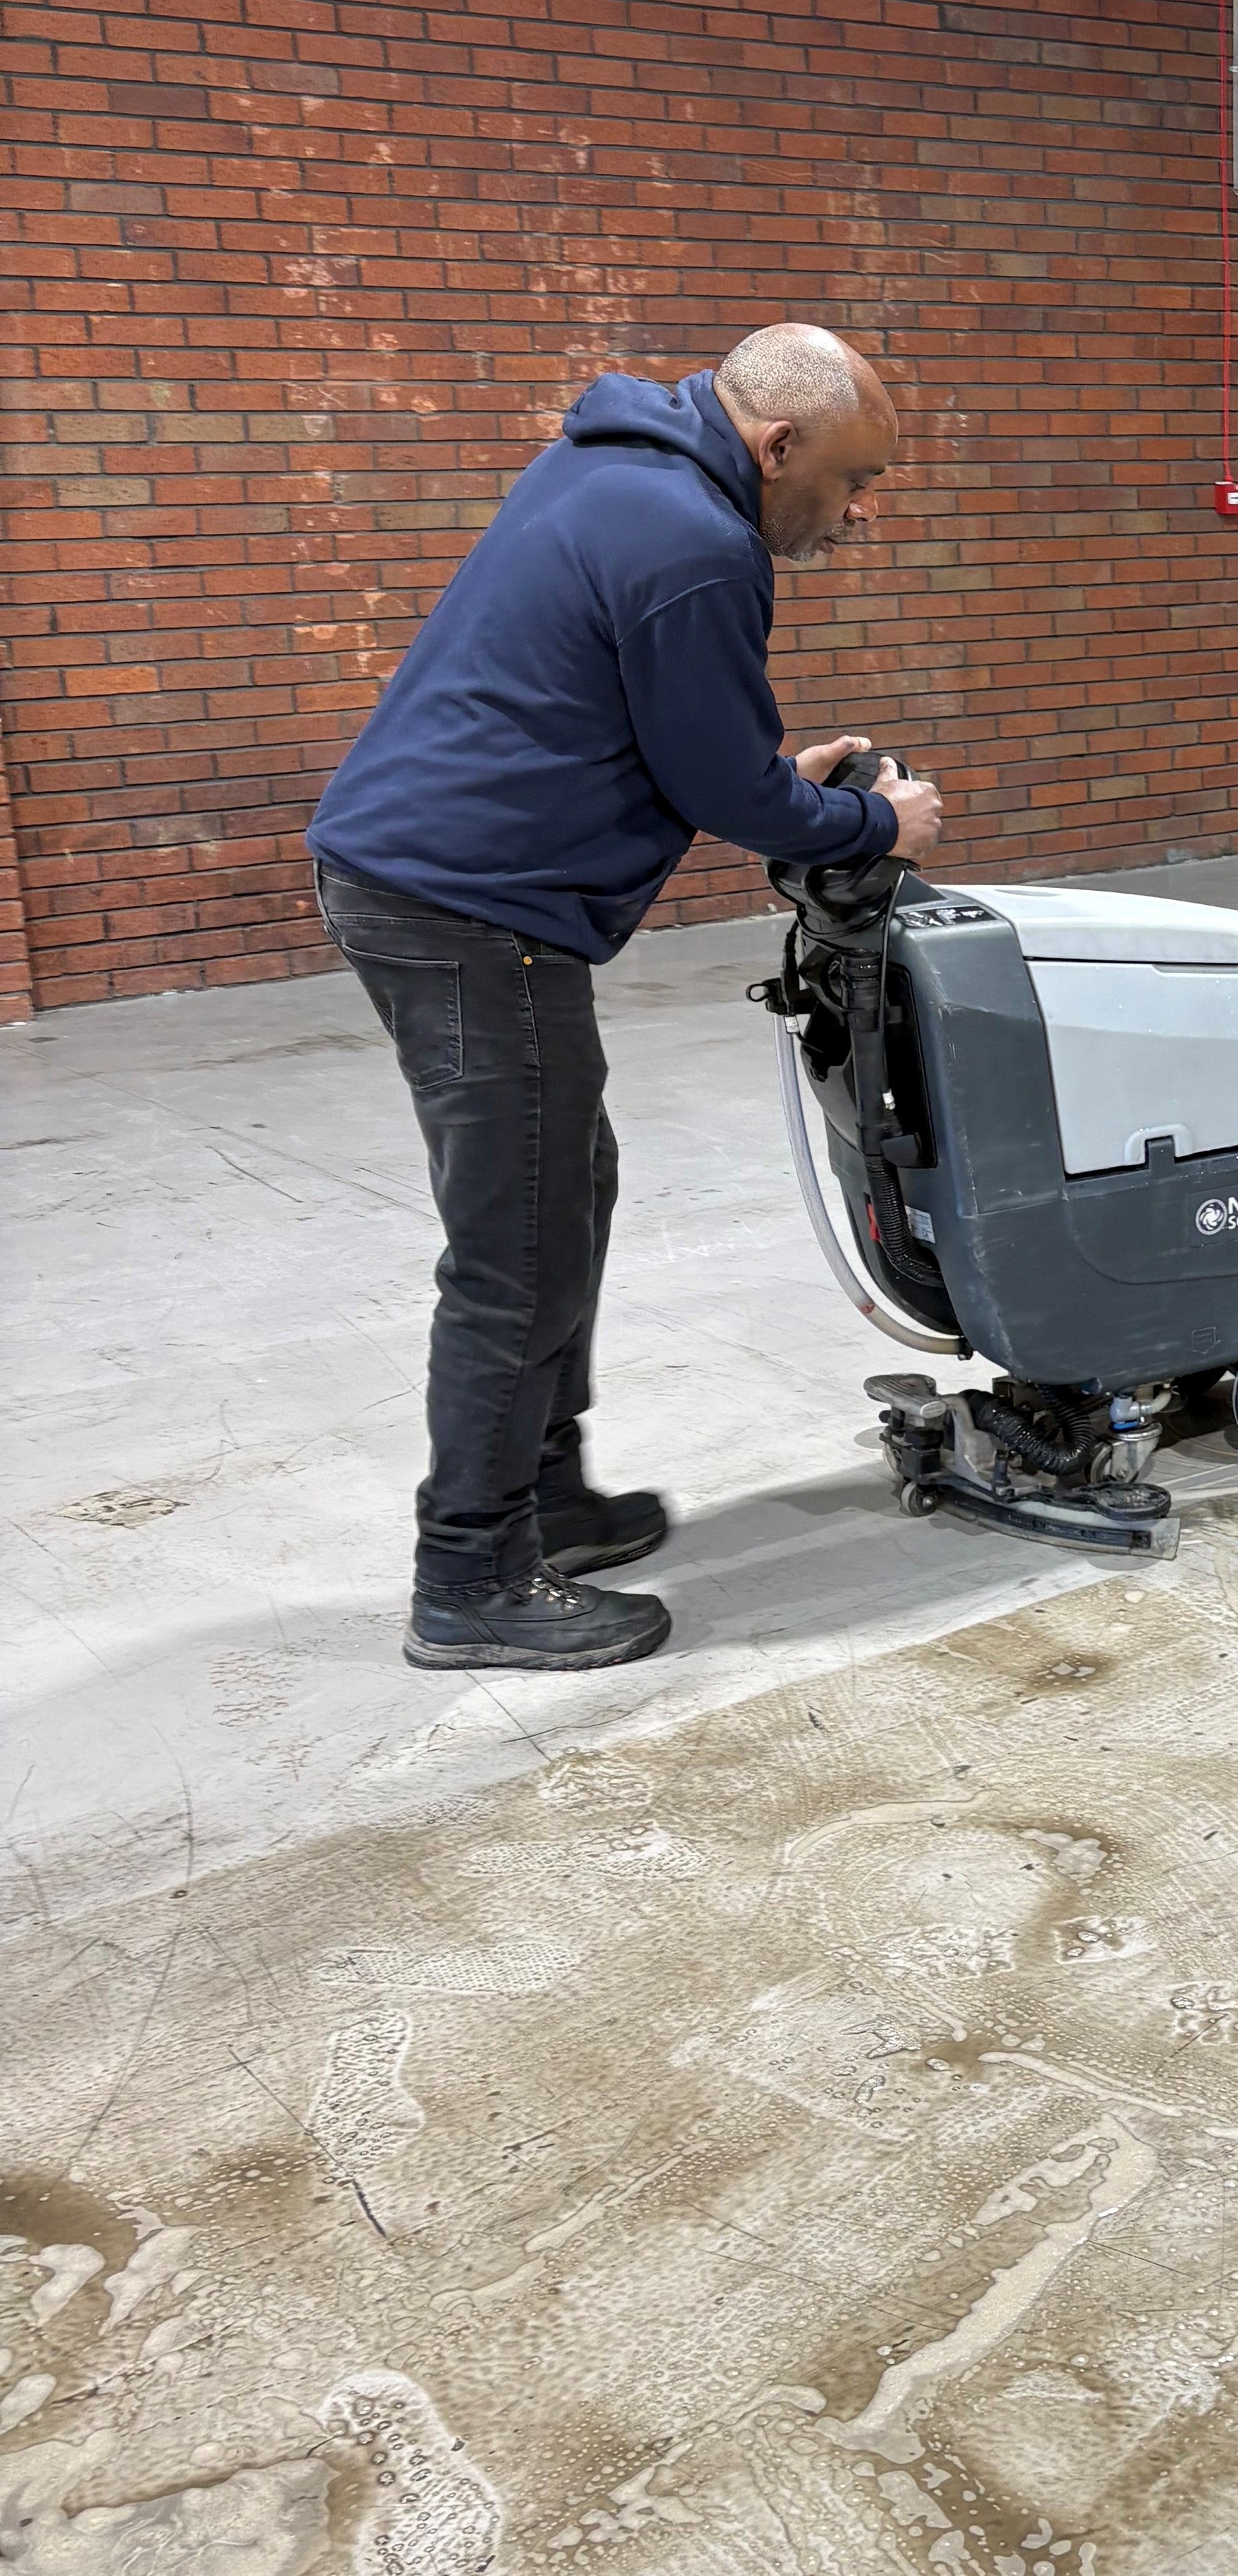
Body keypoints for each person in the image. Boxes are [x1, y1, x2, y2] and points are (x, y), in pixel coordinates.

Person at [308, 322, 944, 1672]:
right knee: (519, 1244)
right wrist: (874, 828)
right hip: (466, 910)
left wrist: (784, 779)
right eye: (850, 482)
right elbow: (720, 791)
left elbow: (661, 730)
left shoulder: (616, 471)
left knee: (565, 1190)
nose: (858, 516)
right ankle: (471, 1577)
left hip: (441, 884)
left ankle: (545, 1498)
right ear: (778, 447)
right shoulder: (697, 542)